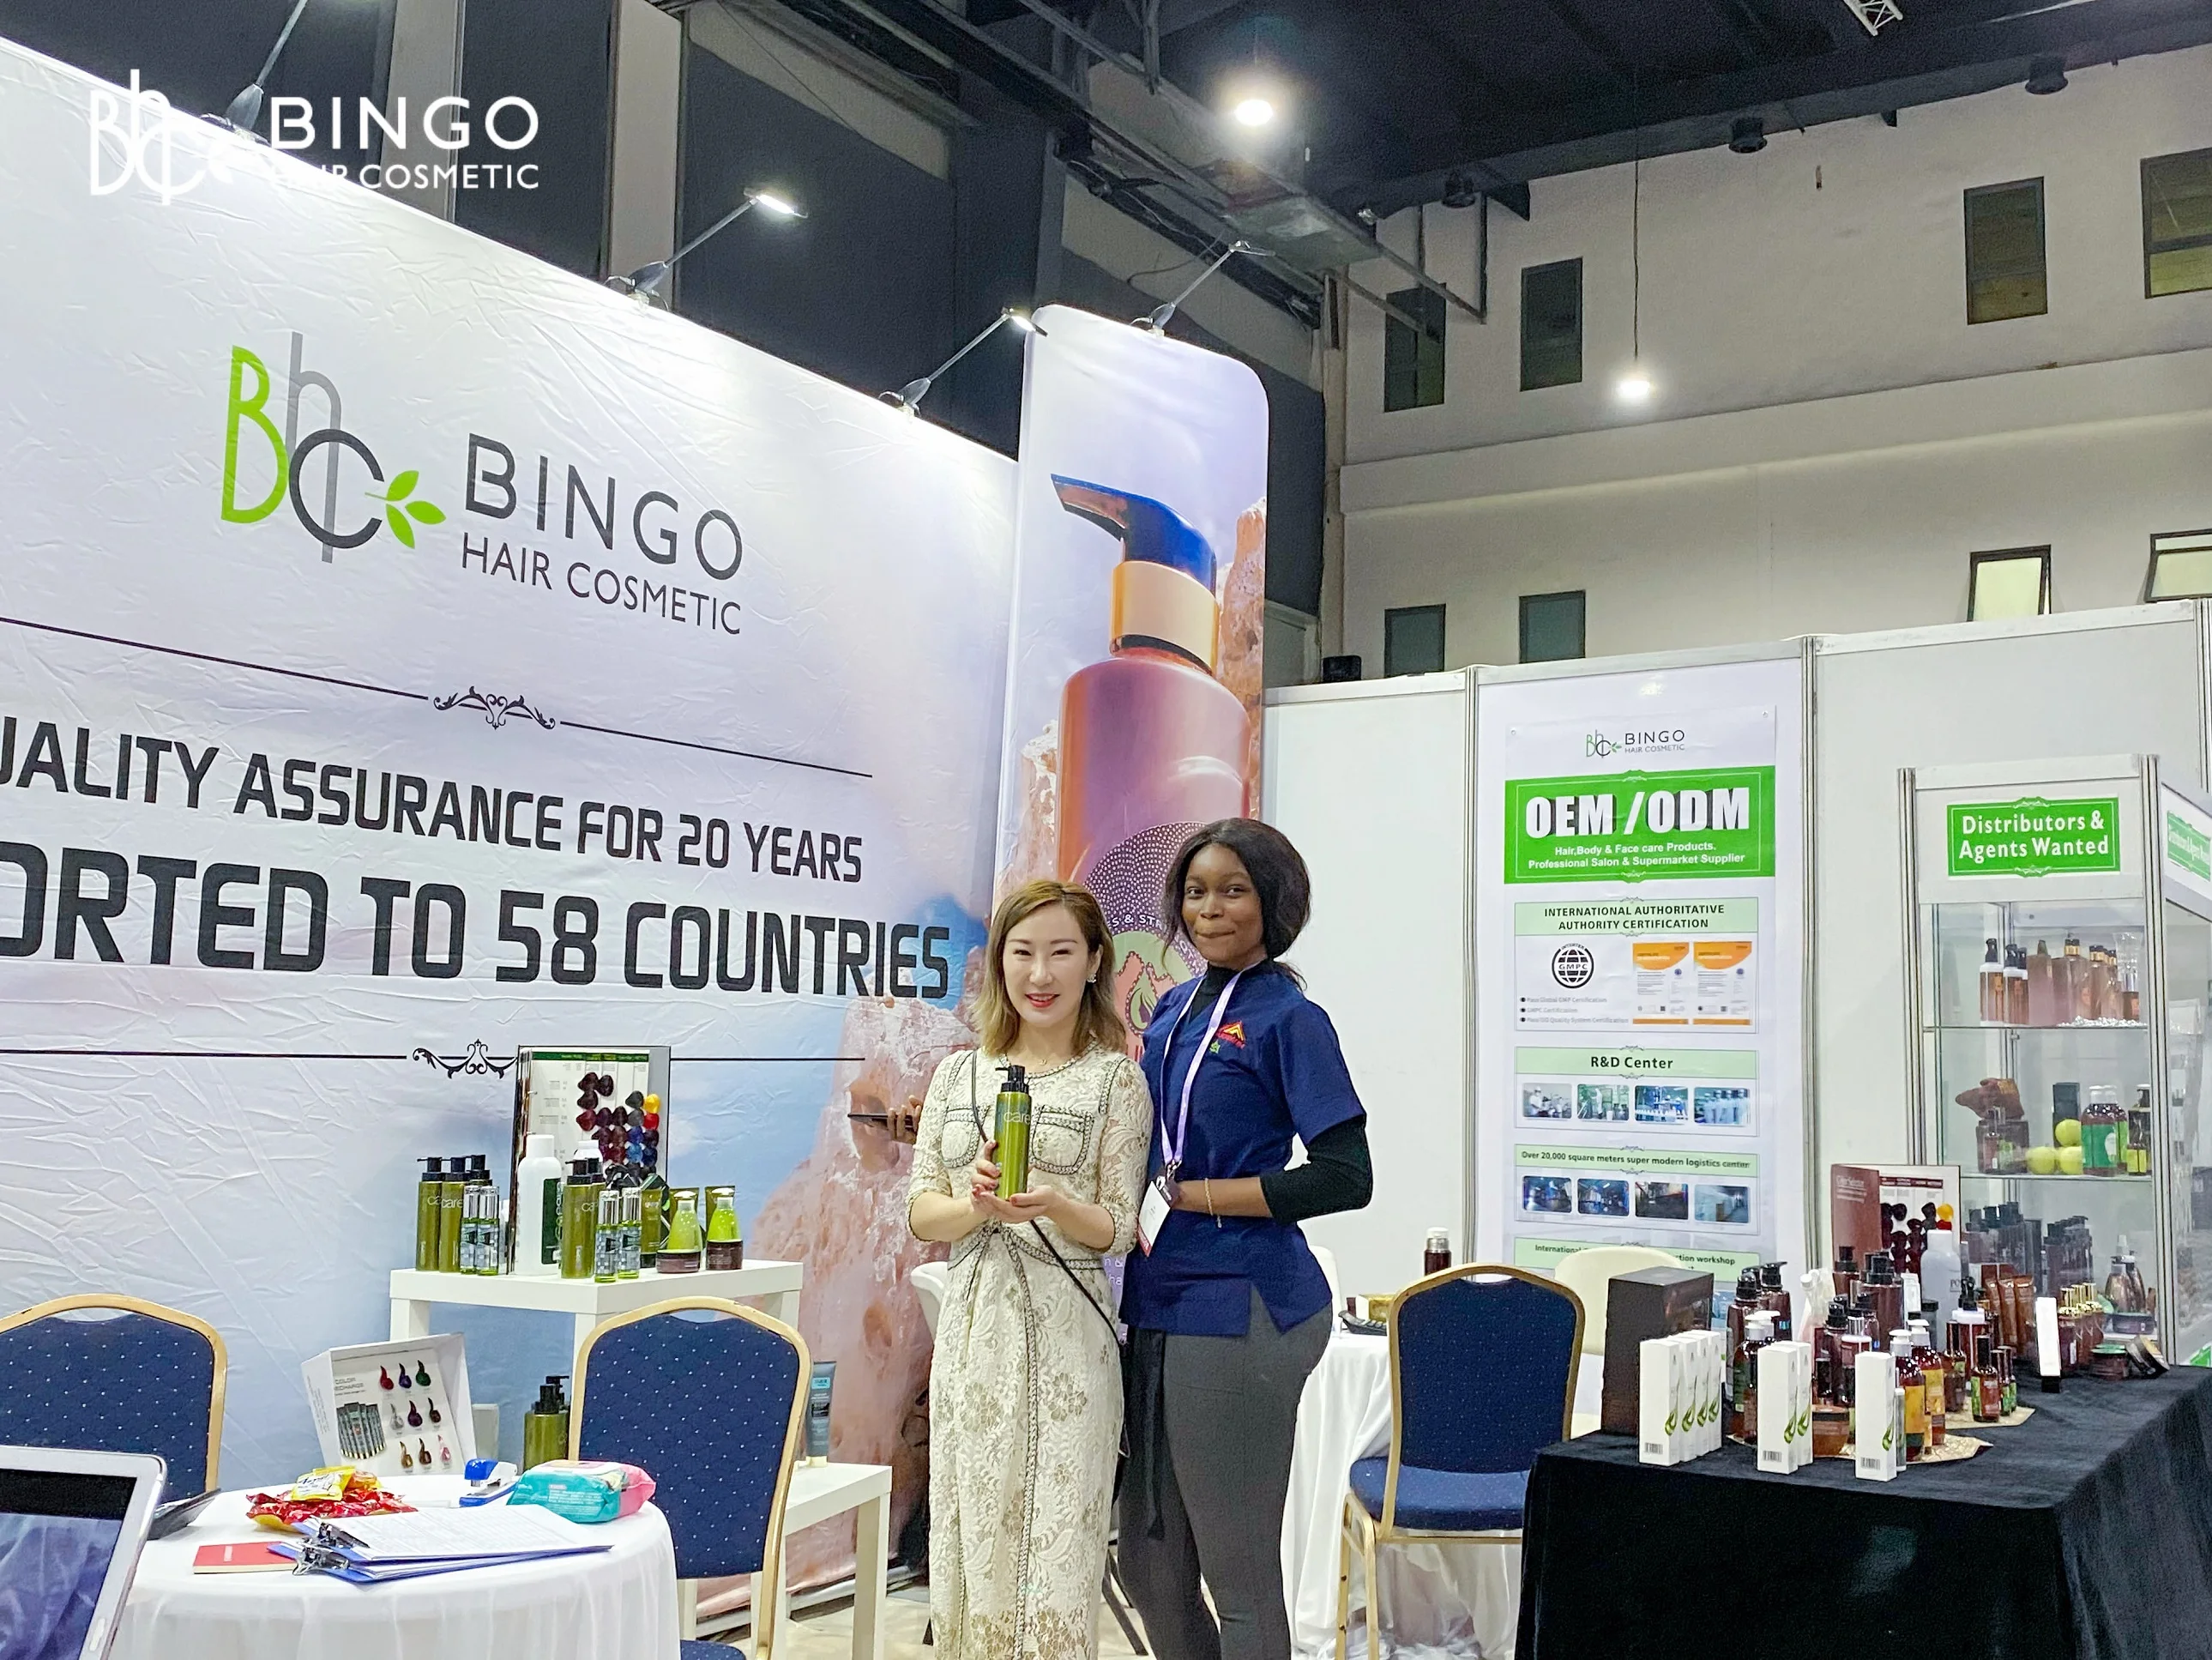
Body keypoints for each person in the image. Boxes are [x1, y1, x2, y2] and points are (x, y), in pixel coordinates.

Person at [1118, 818, 1373, 1660]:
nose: (1209, 909)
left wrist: (1201, 1195)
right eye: (1195, 891)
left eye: (1233, 890)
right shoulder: (1169, 1010)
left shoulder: (1290, 1018)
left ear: (1273, 901)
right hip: (1157, 1296)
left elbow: (1345, 1175)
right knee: (1149, 1568)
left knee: (1239, 1577)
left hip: (1243, 1303)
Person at [907, 879, 1154, 1660]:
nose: (1039, 974)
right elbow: (921, 1212)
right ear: (999, 963)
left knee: (1053, 1556)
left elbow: (1119, 1227)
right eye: (1022, 952)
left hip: (1068, 1346)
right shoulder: (956, 1075)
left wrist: (1054, 1204)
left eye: (1060, 952)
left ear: (1094, 963)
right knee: (969, 1543)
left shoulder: (1114, 1079)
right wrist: (976, 1205)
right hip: (972, 1341)